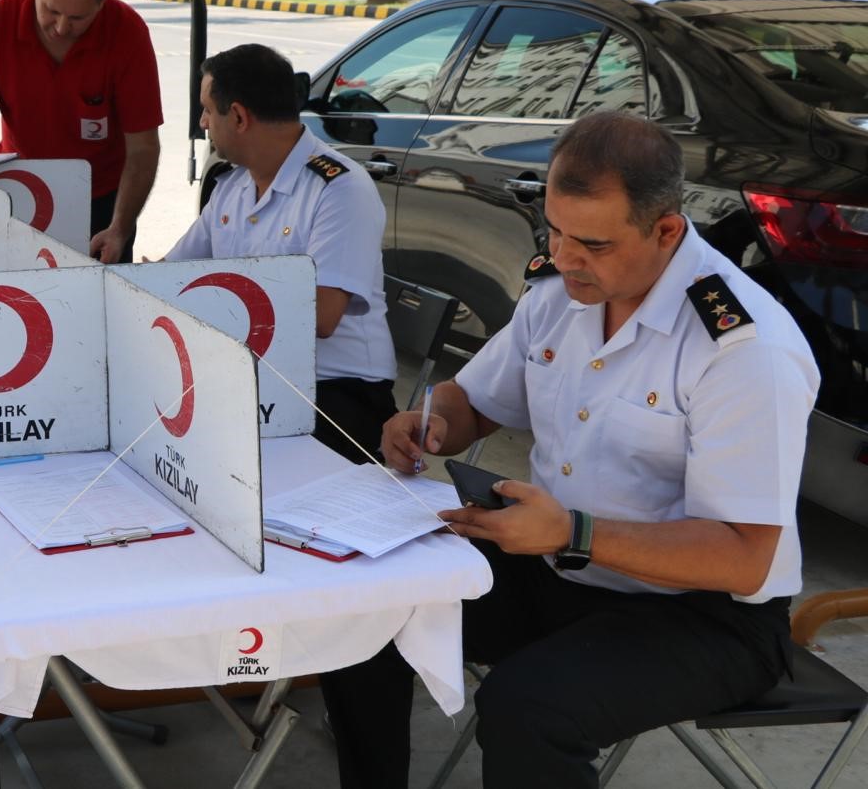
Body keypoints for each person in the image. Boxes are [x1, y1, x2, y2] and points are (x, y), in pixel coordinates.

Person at [320, 112, 816, 789]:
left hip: (703, 615)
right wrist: (429, 418)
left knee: (527, 709)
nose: (563, 255)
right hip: (557, 564)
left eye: (592, 243)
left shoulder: (742, 348)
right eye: (553, 229)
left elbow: (744, 556)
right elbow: (476, 402)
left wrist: (573, 531)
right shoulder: (564, 293)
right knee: (366, 609)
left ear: (666, 230)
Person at [165, 44, 396, 463]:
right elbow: (170, 276)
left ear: (237, 116)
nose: (202, 124)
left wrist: (204, 300)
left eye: (206, 112)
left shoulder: (341, 190)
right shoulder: (233, 186)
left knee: (212, 462)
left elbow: (322, 316)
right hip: (254, 375)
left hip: (332, 390)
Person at [0, 0, 162, 263]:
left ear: (103, 4)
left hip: (100, 201)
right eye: (52, 10)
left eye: (78, 17)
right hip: (16, 188)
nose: (62, 28)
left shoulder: (128, 32)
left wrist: (120, 228)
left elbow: (143, 148)